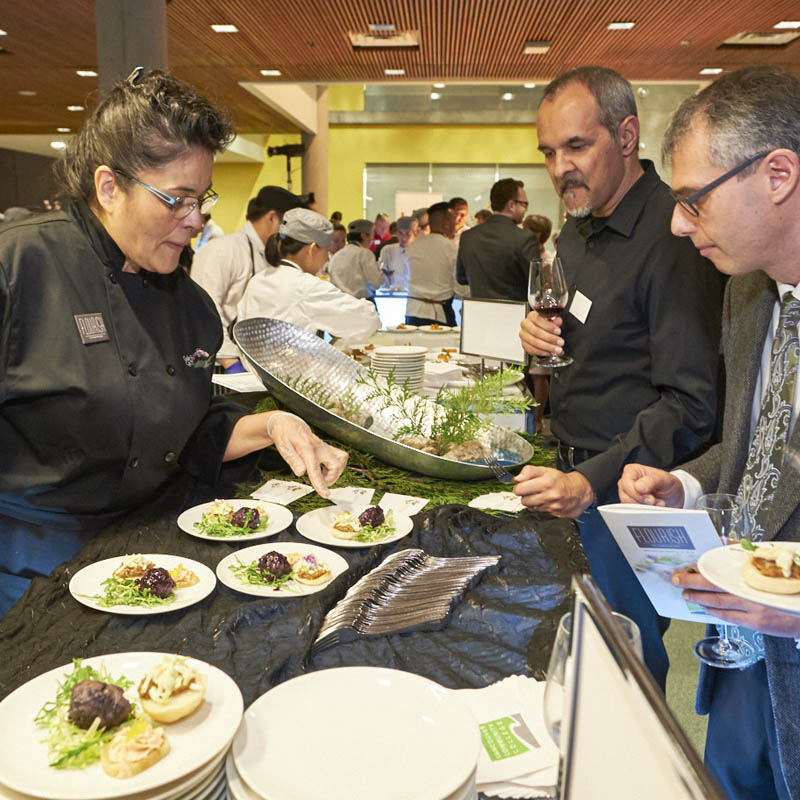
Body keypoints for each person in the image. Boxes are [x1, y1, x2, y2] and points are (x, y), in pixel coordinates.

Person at [0, 68, 347, 619]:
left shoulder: (190, 305)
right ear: (109, 187)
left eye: (202, 198)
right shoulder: (19, 267)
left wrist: (274, 423)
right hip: (27, 571)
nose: (196, 220)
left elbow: (187, 425)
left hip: (156, 551)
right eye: (177, 199)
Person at [617, 65, 800, 800]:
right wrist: (688, 481)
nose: (677, 222)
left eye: (694, 199)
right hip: (738, 654)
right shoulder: (749, 292)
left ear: (778, 175)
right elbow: (761, 440)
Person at [513, 66, 725, 690]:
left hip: (628, 496)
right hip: (570, 481)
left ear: (627, 135)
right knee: (569, 668)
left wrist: (589, 482)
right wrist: (535, 345)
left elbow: (692, 404)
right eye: (548, 153)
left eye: (576, 146)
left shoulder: (674, 236)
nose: (559, 170)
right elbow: (582, 349)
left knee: (623, 673)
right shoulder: (577, 233)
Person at [191, 184, 303, 370]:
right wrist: (231, 363)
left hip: (256, 363)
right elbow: (202, 311)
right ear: (272, 218)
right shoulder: (221, 250)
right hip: (220, 365)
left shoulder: (270, 255)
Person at [237, 207, 380, 342]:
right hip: (292, 367)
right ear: (312, 249)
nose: (326, 258)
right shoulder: (305, 286)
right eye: (326, 251)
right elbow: (369, 320)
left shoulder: (257, 280)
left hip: (254, 367)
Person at [456, 178, 539, 301]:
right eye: (524, 205)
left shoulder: (468, 236)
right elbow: (536, 284)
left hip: (477, 314)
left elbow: (461, 278)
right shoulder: (525, 239)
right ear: (511, 205)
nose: (526, 210)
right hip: (515, 315)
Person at [405, 202, 464, 326]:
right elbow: (459, 287)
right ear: (446, 224)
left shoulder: (412, 247)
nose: (456, 225)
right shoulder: (451, 249)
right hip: (439, 313)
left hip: (412, 311)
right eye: (454, 221)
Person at [329, 218, 385, 300]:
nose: (372, 239)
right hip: (361, 303)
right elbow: (376, 284)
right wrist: (384, 275)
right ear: (363, 236)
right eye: (372, 234)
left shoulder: (337, 255)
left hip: (340, 302)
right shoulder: (365, 254)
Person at [378, 216, 417, 290]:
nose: (403, 238)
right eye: (400, 233)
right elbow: (382, 275)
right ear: (396, 233)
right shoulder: (387, 250)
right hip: (392, 295)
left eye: (408, 234)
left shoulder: (420, 252)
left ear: (415, 234)